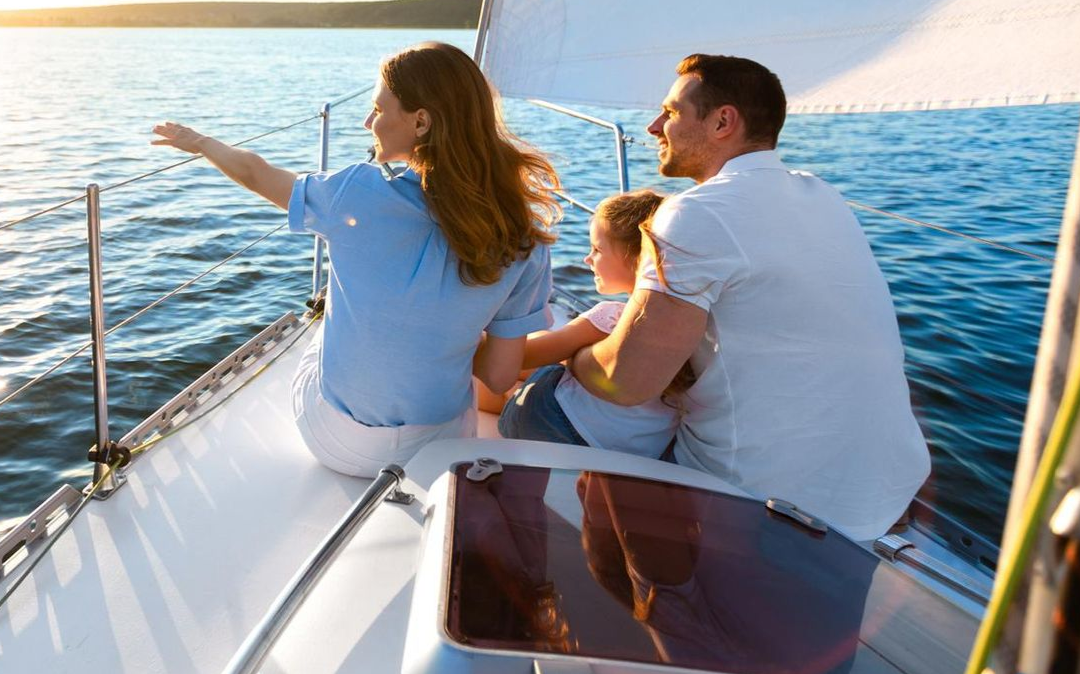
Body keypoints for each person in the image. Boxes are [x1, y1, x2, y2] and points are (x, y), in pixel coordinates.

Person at [567, 53, 930, 541]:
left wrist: (571, 356)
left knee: (539, 405)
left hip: (762, 498)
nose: (653, 126)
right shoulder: (823, 196)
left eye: (671, 112)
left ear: (723, 121)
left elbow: (627, 380)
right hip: (884, 491)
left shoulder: (695, 214)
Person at [151, 41, 559, 476]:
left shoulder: (354, 192)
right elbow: (499, 378)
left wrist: (200, 142)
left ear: (421, 122)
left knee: (325, 321)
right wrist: (448, 335)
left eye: (379, 110)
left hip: (338, 442)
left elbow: (257, 173)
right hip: (440, 448)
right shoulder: (523, 238)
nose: (368, 122)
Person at [499, 189, 690, 455]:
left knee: (525, 372)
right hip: (638, 452)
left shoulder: (609, 317)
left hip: (552, 426)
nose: (587, 259)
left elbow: (520, 358)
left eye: (597, 249)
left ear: (636, 260)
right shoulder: (691, 327)